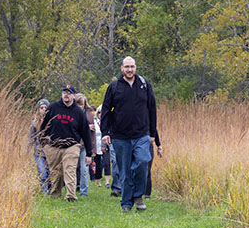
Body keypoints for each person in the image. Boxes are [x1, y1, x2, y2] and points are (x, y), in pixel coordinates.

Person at [100, 56, 162, 212]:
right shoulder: (114, 86)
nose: (129, 70)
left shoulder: (144, 84)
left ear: (136, 68)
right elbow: (106, 110)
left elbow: (152, 109)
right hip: (120, 137)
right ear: (122, 68)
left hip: (141, 134)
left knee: (143, 162)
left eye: (132, 67)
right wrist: (105, 132)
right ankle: (126, 203)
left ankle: (138, 195)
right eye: (126, 67)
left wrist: (152, 133)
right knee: (125, 171)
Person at [40, 85, 93, 201]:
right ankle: (55, 194)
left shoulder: (78, 112)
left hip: (72, 146)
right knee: (56, 172)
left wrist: (89, 153)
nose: (66, 95)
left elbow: (85, 132)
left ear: (73, 96)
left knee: (70, 169)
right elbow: (44, 127)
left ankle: (70, 196)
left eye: (69, 93)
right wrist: (43, 142)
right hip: (54, 146)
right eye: (64, 92)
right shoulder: (53, 107)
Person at [29, 99, 51, 193]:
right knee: (42, 173)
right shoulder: (34, 123)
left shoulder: (52, 122)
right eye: (41, 108)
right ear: (38, 110)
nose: (43, 109)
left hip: (50, 152)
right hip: (38, 152)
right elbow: (31, 138)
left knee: (50, 173)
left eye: (45, 107)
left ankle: (51, 192)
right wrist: (28, 149)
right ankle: (44, 193)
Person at [74, 93, 94, 196]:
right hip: (73, 145)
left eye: (82, 104)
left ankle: (84, 192)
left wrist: (92, 150)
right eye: (78, 104)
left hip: (85, 145)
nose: (80, 106)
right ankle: (72, 189)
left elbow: (93, 133)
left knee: (84, 169)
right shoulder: (71, 113)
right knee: (73, 168)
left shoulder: (89, 114)